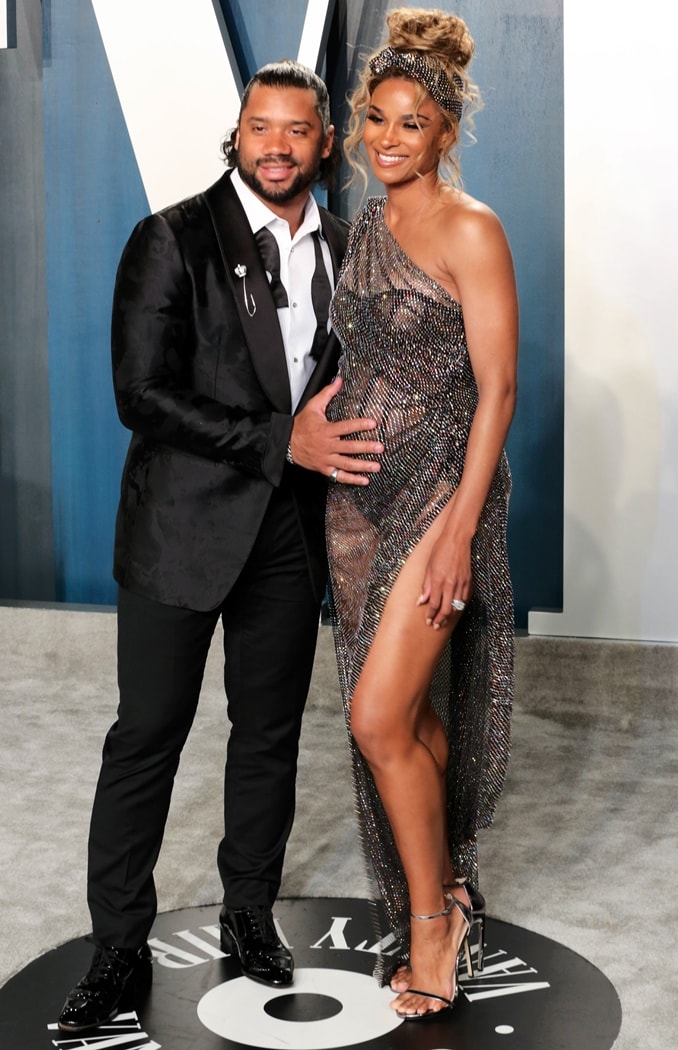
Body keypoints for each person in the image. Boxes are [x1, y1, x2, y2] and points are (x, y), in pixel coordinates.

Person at [57, 60, 384, 1034]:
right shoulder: (171, 238)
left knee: (269, 736)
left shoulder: (347, 245)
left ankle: (249, 913)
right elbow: (139, 394)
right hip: (178, 534)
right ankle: (118, 947)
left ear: (323, 143)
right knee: (147, 736)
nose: (276, 145)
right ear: (236, 136)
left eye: (296, 130)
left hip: (287, 534)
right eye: (260, 128)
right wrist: (275, 440)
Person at [326, 8, 517, 1020]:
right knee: (402, 712)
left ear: (445, 131)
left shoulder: (470, 230)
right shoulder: (368, 225)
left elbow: (498, 391)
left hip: (440, 495)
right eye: (375, 120)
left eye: (410, 122)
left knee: (372, 718)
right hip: (356, 505)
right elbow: (363, 358)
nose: (387, 138)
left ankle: (433, 927)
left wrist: (455, 529)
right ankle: (444, 882)